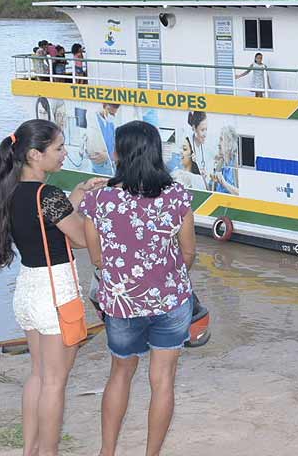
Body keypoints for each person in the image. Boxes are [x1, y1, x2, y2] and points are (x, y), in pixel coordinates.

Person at [0, 119, 106, 456]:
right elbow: (79, 239)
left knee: (38, 376)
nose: (65, 154)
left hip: (28, 288)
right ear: (35, 154)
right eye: (59, 148)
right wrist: (94, 212)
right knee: (55, 382)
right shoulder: (48, 195)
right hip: (56, 290)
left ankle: (30, 450)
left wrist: (76, 197)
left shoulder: (10, 190)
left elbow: (45, 228)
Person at [79, 121, 196, 456]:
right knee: (162, 383)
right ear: (157, 153)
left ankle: (107, 451)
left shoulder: (99, 200)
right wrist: (162, 278)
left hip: (121, 303)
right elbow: (188, 253)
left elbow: (98, 257)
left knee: (120, 374)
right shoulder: (177, 198)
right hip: (170, 301)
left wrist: (127, 278)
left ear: (118, 154)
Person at [85, 103, 121, 176]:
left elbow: (113, 143)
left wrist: (110, 156)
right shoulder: (94, 120)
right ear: (104, 107)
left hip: (110, 161)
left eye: (114, 114)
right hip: (99, 162)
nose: (112, 116)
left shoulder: (110, 124)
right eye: (111, 113)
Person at [211, 126, 240, 195]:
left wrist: (224, 183)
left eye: (221, 139)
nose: (218, 144)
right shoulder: (220, 164)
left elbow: (242, 193)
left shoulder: (237, 164)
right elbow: (211, 191)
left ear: (230, 143)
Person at [186, 111, 210, 182]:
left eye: (206, 129)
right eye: (202, 130)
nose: (205, 134)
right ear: (194, 128)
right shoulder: (187, 146)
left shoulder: (206, 148)